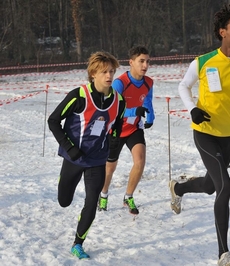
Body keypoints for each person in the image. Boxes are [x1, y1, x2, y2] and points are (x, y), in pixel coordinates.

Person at [172, 4, 230, 265]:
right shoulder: (203, 61)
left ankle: (179, 187)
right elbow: (183, 86)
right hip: (205, 133)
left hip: (228, 134)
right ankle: (223, 254)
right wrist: (192, 109)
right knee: (225, 186)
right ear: (222, 32)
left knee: (210, 186)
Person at [47, 51, 125, 259]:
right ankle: (64, 182)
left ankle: (78, 244)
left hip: (97, 160)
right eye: (104, 72)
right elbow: (53, 121)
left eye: (111, 71)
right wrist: (70, 148)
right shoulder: (78, 96)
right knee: (64, 201)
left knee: (92, 201)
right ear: (93, 74)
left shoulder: (119, 100)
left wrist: (112, 145)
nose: (109, 76)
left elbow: (116, 127)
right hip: (74, 157)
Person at [98, 46, 155, 215]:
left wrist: (150, 117)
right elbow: (112, 108)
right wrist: (132, 111)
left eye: (147, 61)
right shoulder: (120, 83)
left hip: (133, 129)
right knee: (110, 167)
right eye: (141, 61)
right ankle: (103, 194)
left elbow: (147, 101)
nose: (145, 65)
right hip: (116, 129)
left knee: (140, 161)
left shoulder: (149, 82)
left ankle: (128, 196)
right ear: (131, 62)